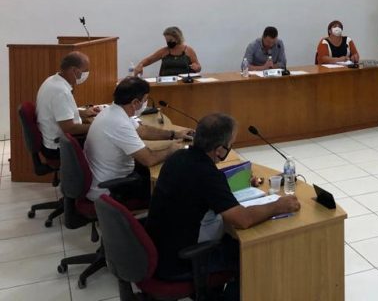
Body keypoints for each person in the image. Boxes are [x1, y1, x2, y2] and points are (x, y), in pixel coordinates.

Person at [146, 113, 301, 301]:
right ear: (220, 150)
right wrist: (278, 206)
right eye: (231, 144)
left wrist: (235, 183)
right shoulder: (207, 174)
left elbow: (201, 189)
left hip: (160, 250)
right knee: (251, 255)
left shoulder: (178, 157)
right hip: (182, 261)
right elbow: (243, 220)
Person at [84, 77, 187, 202]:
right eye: (145, 100)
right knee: (169, 186)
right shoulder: (119, 123)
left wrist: (174, 134)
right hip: (111, 190)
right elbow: (149, 159)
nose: (146, 103)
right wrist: (171, 150)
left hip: (108, 179)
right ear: (135, 102)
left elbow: (142, 130)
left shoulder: (113, 111)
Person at [36, 52, 99, 159]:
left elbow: (60, 113)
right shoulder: (60, 91)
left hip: (53, 140)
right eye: (85, 71)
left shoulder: (52, 80)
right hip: (58, 147)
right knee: (105, 138)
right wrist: (97, 126)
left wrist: (83, 113)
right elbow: (70, 128)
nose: (86, 74)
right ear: (74, 70)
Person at [134, 26, 201, 77]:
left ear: (177, 38)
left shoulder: (188, 50)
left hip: (184, 83)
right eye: (166, 40)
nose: (168, 42)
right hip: (166, 82)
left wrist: (196, 67)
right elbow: (149, 60)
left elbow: (198, 67)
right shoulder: (164, 51)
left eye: (170, 40)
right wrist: (140, 65)